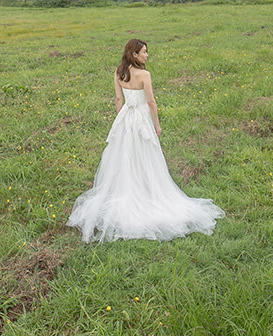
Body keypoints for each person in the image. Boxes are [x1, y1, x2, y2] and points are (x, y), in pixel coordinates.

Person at [66, 38, 224, 242]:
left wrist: (121, 119)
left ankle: (130, 188)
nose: (147, 55)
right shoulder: (144, 75)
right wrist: (156, 125)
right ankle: (147, 192)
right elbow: (150, 101)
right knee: (146, 155)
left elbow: (118, 100)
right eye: (144, 52)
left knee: (124, 155)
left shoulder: (118, 72)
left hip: (126, 118)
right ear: (134, 54)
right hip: (141, 118)